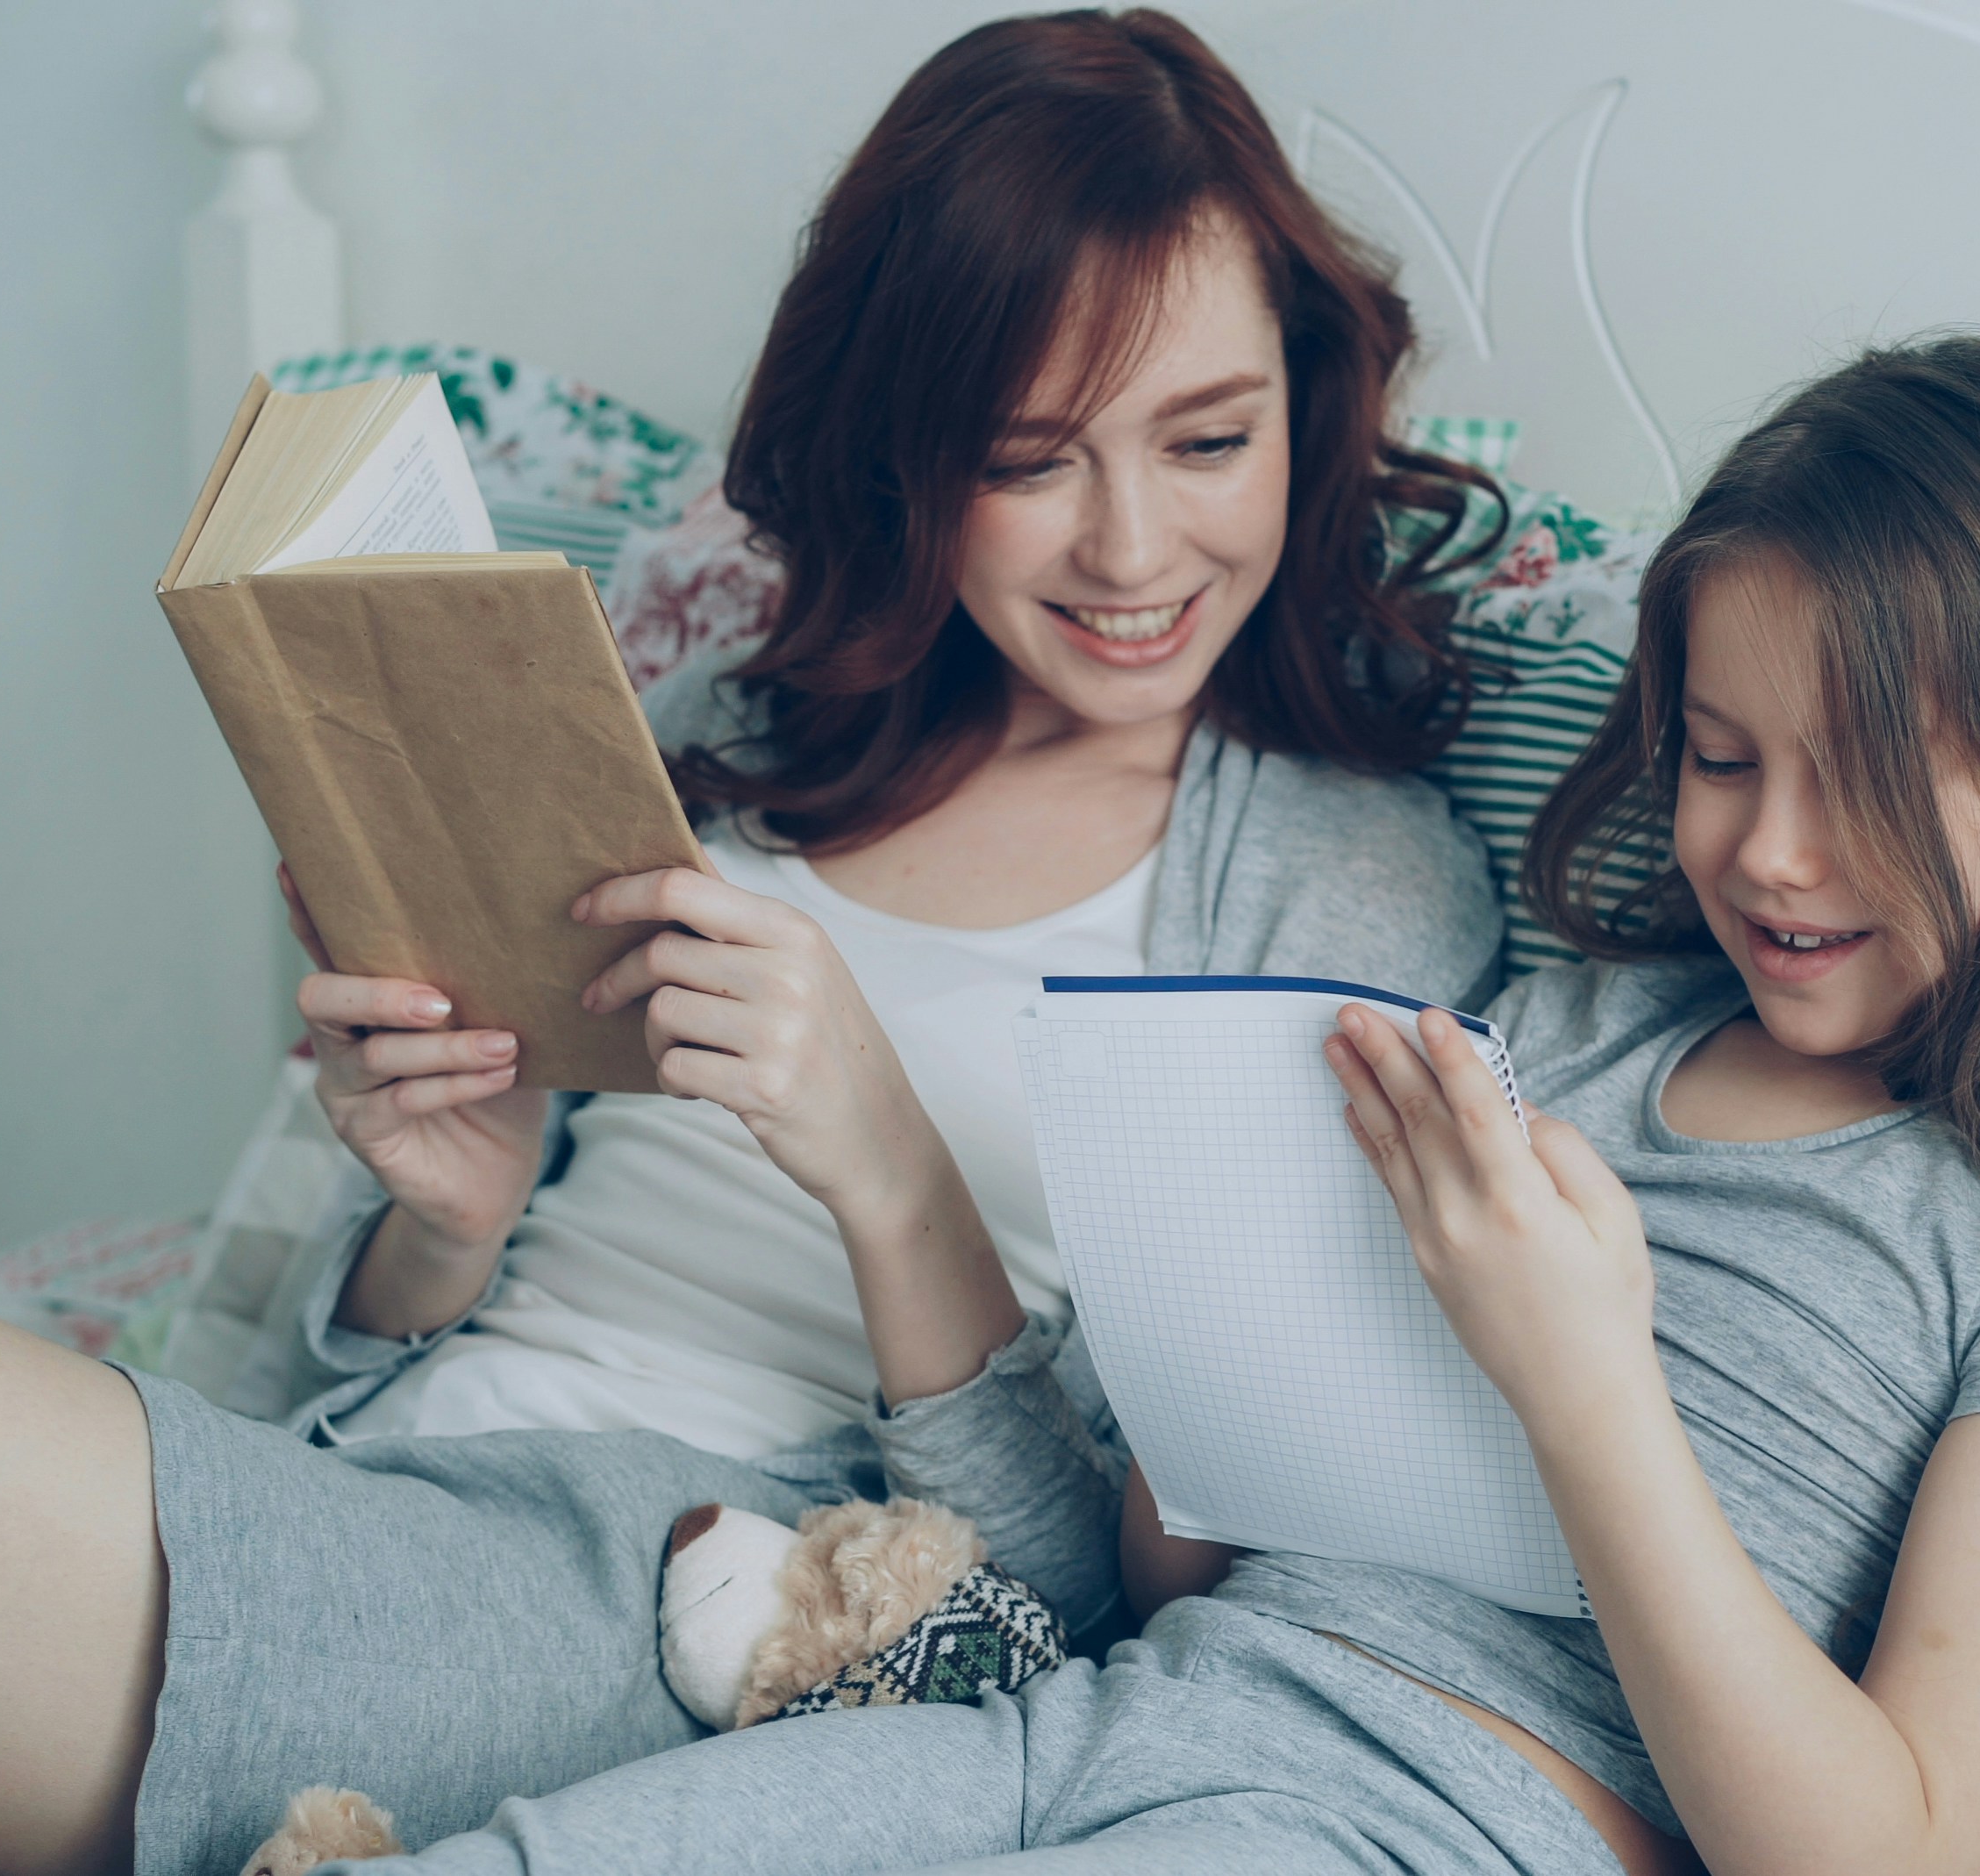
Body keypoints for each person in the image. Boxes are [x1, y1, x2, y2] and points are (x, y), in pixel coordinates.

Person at [0, 333, 1980, 1876]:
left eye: (1866, 775)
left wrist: (1577, 1380)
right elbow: (1171, 1567)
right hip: (1089, 1714)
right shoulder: (1584, 1037)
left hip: (1405, 1823)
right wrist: (1217, 1429)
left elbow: (1866, 1851)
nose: (1763, 848)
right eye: (1725, 757)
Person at [252, 6, 1530, 1460]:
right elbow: (312, 1379)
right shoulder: (734, 730)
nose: (1129, 552)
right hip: (384, 1472)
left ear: (1304, 408)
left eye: (1208, 441)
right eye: (1026, 460)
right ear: (899, 462)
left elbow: (1138, 1588)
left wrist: (889, 1166)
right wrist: (449, 1223)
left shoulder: (1357, 903)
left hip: (714, 1574)